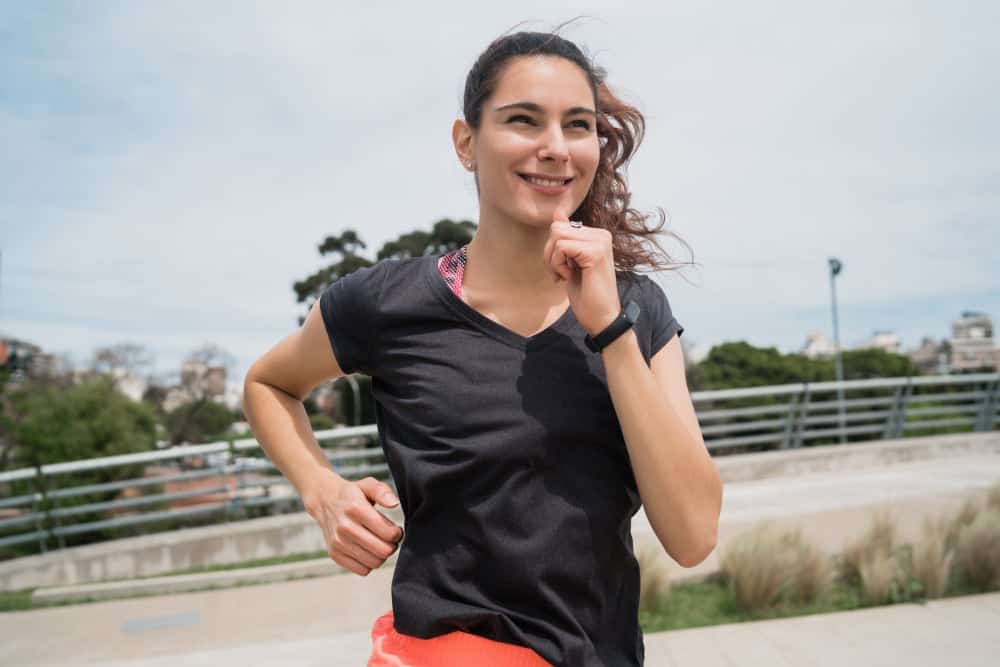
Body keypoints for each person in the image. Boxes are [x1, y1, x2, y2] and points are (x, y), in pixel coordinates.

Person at [243, 28, 722, 667]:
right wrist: (320, 489)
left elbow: (692, 537)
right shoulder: (386, 303)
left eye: (577, 126)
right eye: (523, 121)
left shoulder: (637, 311)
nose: (554, 147)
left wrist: (608, 329)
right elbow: (268, 384)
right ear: (467, 143)